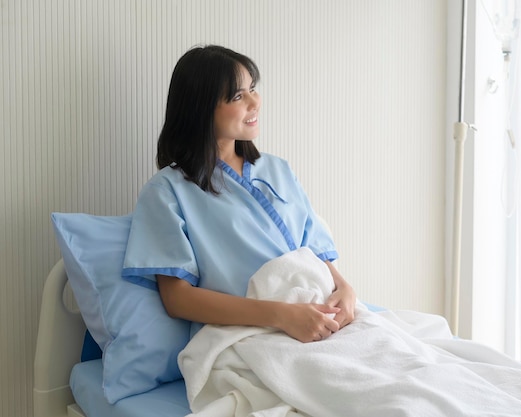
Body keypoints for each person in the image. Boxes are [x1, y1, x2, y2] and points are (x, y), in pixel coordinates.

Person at [121, 45, 356, 343]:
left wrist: (346, 290)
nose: (254, 102)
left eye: (252, 89)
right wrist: (283, 316)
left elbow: (314, 251)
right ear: (200, 108)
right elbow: (178, 299)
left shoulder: (277, 169)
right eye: (237, 96)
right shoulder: (167, 191)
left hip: (323, 315)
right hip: (251, 333)